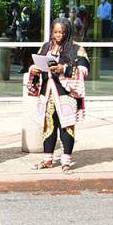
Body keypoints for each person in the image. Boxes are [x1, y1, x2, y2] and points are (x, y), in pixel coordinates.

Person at [29, 17, 89, 173]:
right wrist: (34, 70)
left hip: (66, 94)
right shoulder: (46, 47)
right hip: (47, 92)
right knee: (48, 125)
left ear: (67, 32)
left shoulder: (76, 48)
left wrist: (64, 69)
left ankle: (66, 162)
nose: (58, 35)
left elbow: (84, 69)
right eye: (55, 32)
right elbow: (37, 63)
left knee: (67, 126)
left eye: (62, 32)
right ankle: (48, 160)